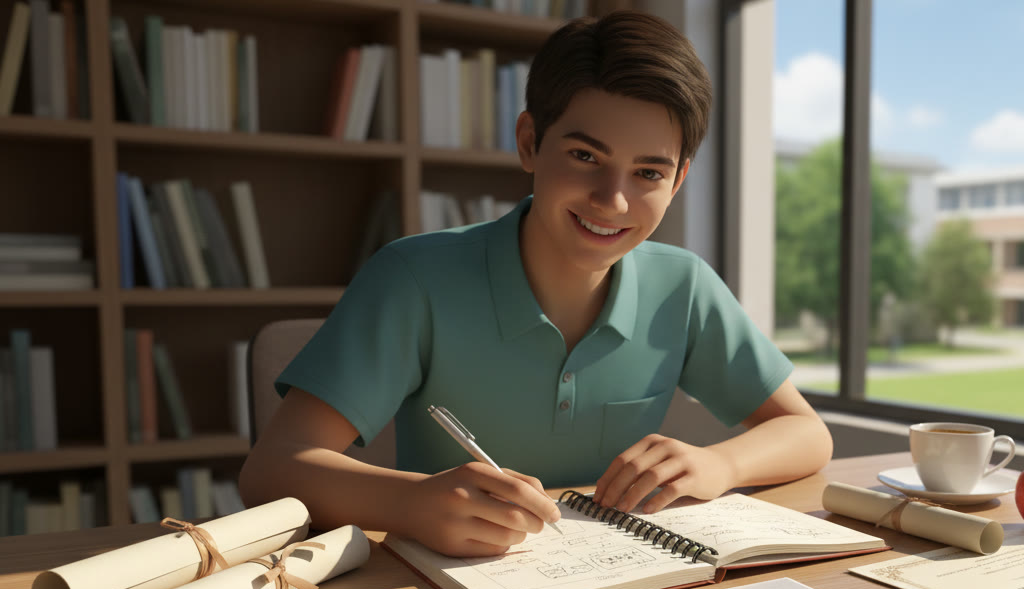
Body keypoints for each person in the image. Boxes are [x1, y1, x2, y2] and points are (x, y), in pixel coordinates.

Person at [238, 10, 833, 558]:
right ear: (529, 142)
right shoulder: (412, 278)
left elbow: (807, 433)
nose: (613, 199)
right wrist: (411, 504)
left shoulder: (686, 285)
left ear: (678, 181)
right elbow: (272, 472)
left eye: (648, 172)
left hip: (614, 582)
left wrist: (718, 464)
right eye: (584, 156)